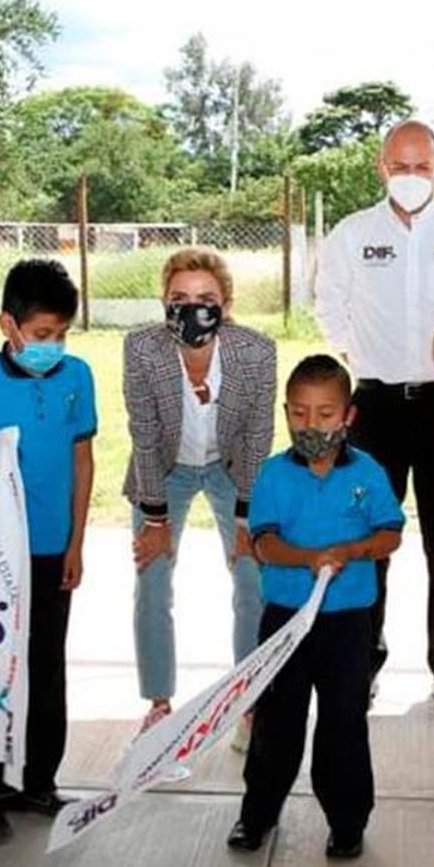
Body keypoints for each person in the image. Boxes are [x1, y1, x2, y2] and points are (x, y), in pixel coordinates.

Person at [314, 120, 434, 719]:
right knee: (369, 544)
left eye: (423, 166)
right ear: (380, 167)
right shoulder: (352, 234)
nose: (411, 177)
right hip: (378, 406)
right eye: (400, 166)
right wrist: (358, 357)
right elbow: (329, 305)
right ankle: (363, 664)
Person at [227, 354, 404, 861]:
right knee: (278, 721)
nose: (312, 425)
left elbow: (390, 533)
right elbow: (264, 544)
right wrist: (308, 559)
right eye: (300, 413)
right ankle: (256, 814)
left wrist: (353, 550)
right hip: (285, 620)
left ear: (348, 416)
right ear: (286, 413)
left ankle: (347, 822)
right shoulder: (274, 475)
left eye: (326, 414)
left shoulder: (367, 472)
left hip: (349, 622)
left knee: (344, 722)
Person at [0, 260, 96, 842]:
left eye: (61, 335)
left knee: (44, 664)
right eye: (40, 335)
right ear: (8, 324)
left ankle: (39, 780)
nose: (52, 346)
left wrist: (76, 543)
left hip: (51, 547)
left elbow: (82, 461)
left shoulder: (77, 377)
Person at [123, 248, 275, 744]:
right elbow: (144, 437)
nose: (193, 310)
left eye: (206, 299)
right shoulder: (142, 349)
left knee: (252, 576)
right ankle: (159, 705)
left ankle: (250, 702)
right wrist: (156, 520)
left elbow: (257, 436)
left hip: (230, 467)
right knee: (153, 578)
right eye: (179, 299)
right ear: (164, 303)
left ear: (226, 305)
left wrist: (246, 520)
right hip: (165, 471)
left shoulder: (255, 351)